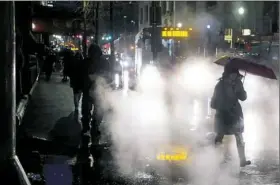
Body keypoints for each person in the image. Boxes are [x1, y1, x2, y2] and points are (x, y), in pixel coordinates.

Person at [210, 62, 251, 167]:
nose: (234, 75)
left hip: (233, 114)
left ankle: (242, 160)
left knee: (238, 136)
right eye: (232, 73)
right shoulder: (221, 85)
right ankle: (216, 159)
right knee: (220, 136)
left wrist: (240, 90)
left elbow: (243, 97)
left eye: (235, 73)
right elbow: (213, 102)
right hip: (224, 114)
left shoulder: (236, 83)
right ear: (227, 73)